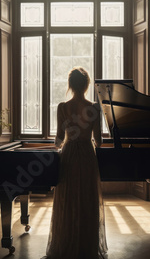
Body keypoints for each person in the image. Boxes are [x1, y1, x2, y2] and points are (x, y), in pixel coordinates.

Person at [44, 67, 108, 259]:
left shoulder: (62, 107)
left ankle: (66, 243)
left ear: (70, 85)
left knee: (67, 200)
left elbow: (57, 140)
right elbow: (99, 141)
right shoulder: (95, 108)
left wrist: (65, 142)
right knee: (87, 200)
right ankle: (86, 246)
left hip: (69, 155)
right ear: (87, 85)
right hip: (87, 156)